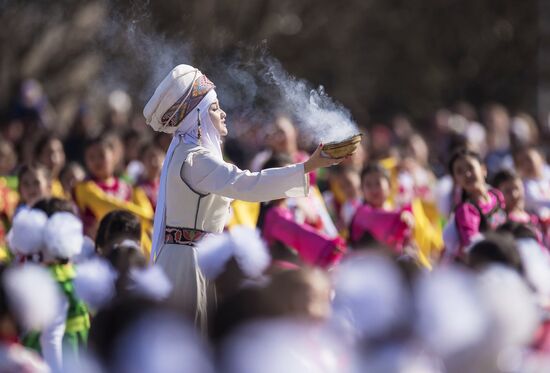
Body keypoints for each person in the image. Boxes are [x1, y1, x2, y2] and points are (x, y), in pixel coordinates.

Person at [143, 64, 342, 330]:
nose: (222, 113)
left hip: (192, 258)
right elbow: (247, 184)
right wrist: (307, 166)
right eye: (214, 108)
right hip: (188, 265)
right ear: (197, 117)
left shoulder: (187, 152)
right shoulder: (195, 159)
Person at [443, 148, 507, 260]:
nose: (467, 174)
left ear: (483, 170)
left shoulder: (497, 196)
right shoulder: (466, 210)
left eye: (470, 168)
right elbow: (473, 244)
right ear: (456, 180)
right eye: (459, 172)